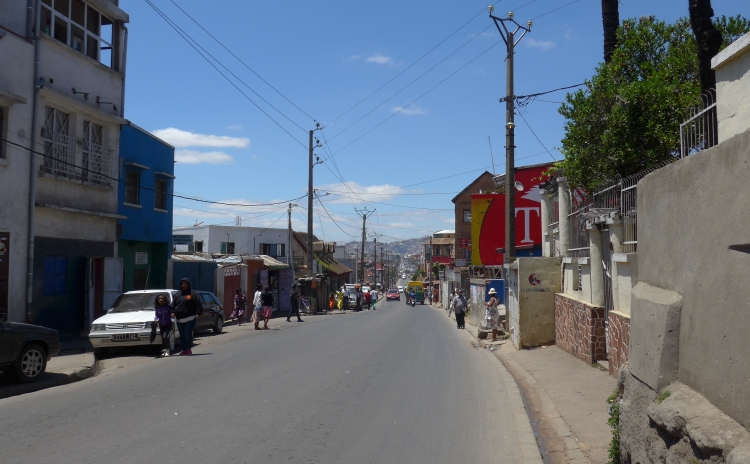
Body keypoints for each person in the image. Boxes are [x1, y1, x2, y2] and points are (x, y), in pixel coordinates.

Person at [172, 278, 203, 355]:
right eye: (182, 284)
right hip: (179, 319)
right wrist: (172, 312)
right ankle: (184, 350)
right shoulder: (177, 295)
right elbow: (172, 305)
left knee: (187, 333)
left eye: (185, 283)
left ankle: (189, 349)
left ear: (188, 284)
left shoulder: (193, 293)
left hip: (190, 318)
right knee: (182, 334)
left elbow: (199, 304)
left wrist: (198, 313)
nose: (183, 285)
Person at [154, 293, 174, 357]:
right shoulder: (157, 308)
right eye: (159, 299)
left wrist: (172, 314)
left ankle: (168, 349)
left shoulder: (168, 306)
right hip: (161, 325)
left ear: (164, 299)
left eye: (162, 298)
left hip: (168, 324)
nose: (160, 300)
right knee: (163, 338)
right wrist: (155, 319)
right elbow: (157, 316)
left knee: (165, 336)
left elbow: (171, 312)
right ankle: (164, 350)